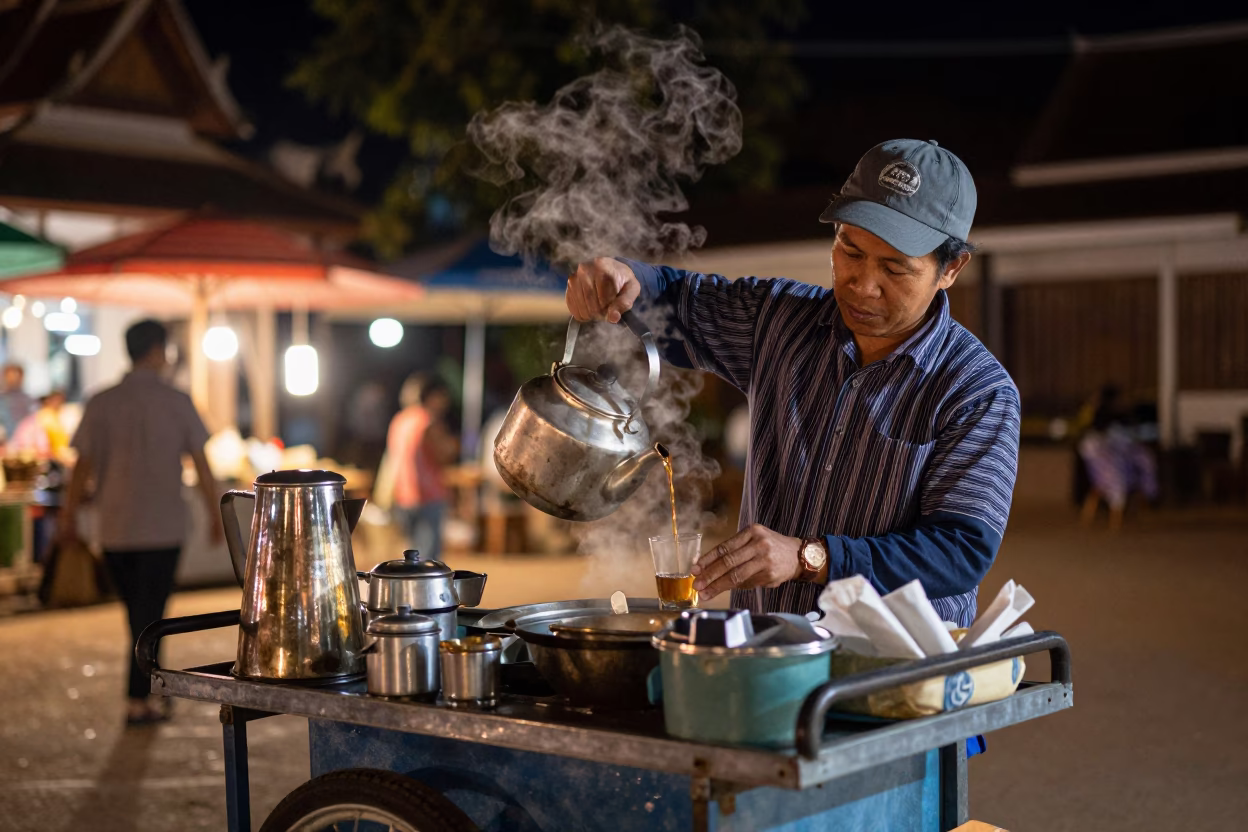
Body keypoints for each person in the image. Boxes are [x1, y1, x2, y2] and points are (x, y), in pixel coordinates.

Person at [566, 139, 1020, 626]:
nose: (863, 284)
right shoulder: (779, 322)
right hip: (766, 649)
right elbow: (674, 300)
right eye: (850, 250)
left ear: (951, 268)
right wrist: (622, 278)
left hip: (892, 671)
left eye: (894, 268)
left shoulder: (977, 391)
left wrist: (810, 558)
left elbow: (959, 552)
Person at [60, 320, 221, 725]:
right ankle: (141, 695)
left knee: (139, 614)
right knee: (150, 615)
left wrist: (68, 515)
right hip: (163, 526)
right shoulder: (177, 400)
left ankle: (148, 691)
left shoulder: (101, 401)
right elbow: (201, 464)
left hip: (115, 527)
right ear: (155, 351)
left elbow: (82, 466)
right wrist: (218, 513)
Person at [386, 374, 457, 559]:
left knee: (411, 556)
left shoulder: (400, 420)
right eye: (442, 396)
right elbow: (444, 454)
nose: (445, 402)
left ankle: (410, 588)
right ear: (431, 396)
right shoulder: (428, 422)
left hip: (402, 495)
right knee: (428, 560)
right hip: (428, 496)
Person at [0, 362, 36, 443]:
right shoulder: (1, 400)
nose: (12, 380)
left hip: (26, 447)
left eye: (16, 377)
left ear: (22, 378)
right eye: (9, 377)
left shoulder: (30, 401)